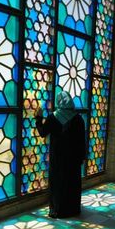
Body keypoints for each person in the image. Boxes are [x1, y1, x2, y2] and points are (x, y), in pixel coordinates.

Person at [35, 91, 86, 219]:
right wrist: (82, 157)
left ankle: (57, 210)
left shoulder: (53, 117)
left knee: (58, 183)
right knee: (71, 183)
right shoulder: (78, 118)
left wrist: (39, 118)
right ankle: (72, 209)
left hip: (57, 158)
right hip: (73, 159)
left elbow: (42, 132)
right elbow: (81, 141)